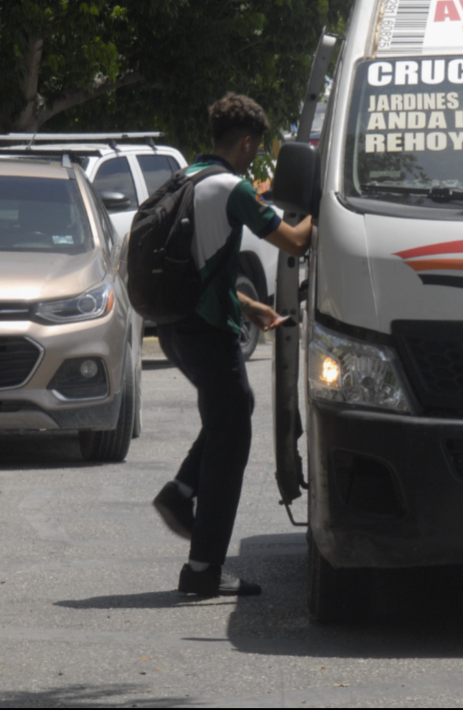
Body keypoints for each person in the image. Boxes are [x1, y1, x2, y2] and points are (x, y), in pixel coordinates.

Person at [152, 93, 312, 597]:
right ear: (246, 143)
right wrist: (325, 202)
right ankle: (202, 569)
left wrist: (251, 306)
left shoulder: (184, 180)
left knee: (232, 411)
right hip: (206, 333)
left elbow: (202, 266)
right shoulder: (231, 187)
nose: (253, 157)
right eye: (255, 149)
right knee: (232, 437)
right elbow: (295, 241)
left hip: (174, 328)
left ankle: (180, 493)